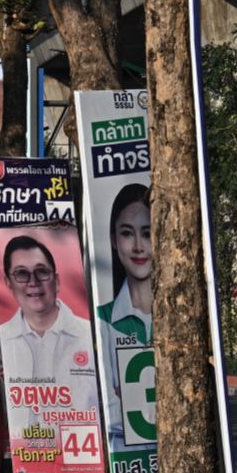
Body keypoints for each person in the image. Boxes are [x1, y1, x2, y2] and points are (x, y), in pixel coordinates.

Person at [96, 185, 152, 447]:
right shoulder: (104, 320)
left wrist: (129, 398)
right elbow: (109, 412)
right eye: (128, 233)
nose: (139, 246)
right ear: (113, 240)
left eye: (148, 233)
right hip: (129, 465)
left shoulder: (184, 319)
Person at [0, 235, 95, 384]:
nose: (33, 282)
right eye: (22, 273)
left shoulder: (89, 334)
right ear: (8, 283)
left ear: (56, 282)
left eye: (41, 271)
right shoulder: (1, 340)